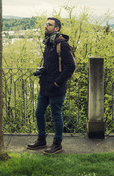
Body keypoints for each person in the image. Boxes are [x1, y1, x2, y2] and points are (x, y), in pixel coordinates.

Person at [27, 17, 76, 154]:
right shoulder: (49, 43)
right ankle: (41, 140)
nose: (45, 26)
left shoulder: (62, 44)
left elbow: (70, 66)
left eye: (49, 25)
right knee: (38, 112)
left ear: (56, 28)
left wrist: (57, 82)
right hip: (45, 86)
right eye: (45, 24)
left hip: (56, 87)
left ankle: (57, 144)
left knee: (56, 115)